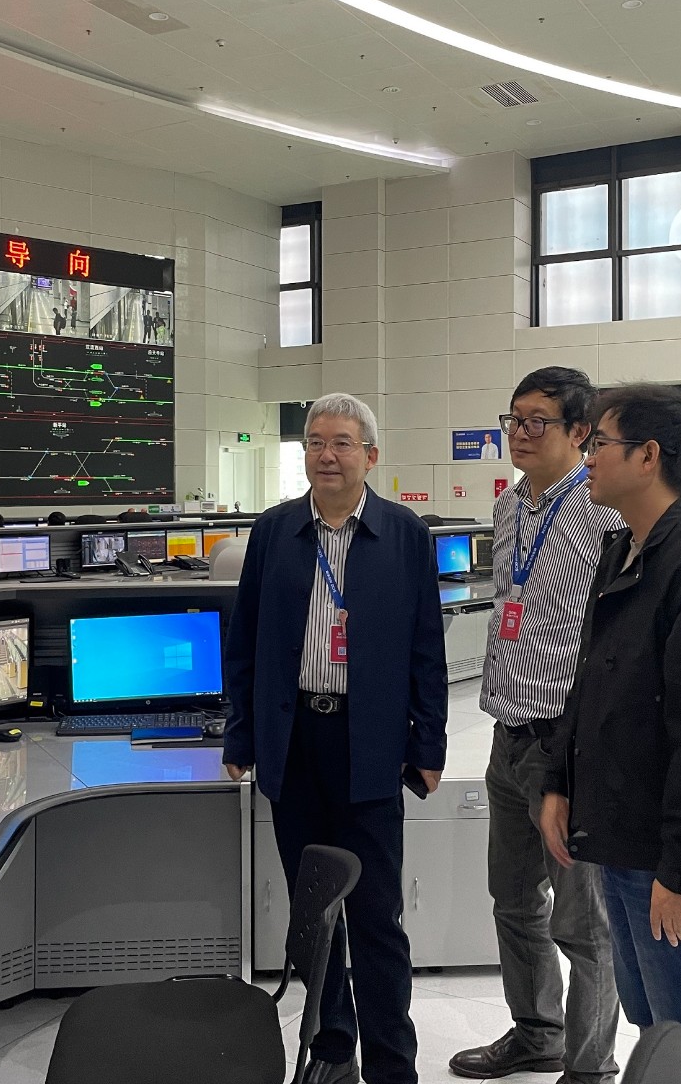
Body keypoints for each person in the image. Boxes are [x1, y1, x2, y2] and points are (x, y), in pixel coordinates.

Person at [224, 392, 448, 1084]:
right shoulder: (273, 532)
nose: (327, 455)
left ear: (370, 456)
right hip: (293, 742)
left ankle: (392, 1065)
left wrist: (429, 746)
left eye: (342, 442)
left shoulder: (404, 535)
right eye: (316, 442)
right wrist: (241, 737)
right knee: (315, 914)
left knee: (377, 915)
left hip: (370, 744)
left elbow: (426, 649)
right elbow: (246, 643)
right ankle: (332, 1049)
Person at [536, 385, 681, 1038]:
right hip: (624, 834)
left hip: (673, 854)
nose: (587, 458)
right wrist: (559, 783)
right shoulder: (624, 551)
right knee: (651, 1019)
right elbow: (592, 680)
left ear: (648, 457)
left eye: (600, 443)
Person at [449, 367, 624, 1084]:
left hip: (568, 745)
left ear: (579, 433)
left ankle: (590, 1066)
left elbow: (616, 640)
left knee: (584, 923)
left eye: (536, 421)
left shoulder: (604, 512)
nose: (519, 433)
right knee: (515, 900)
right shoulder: (509, 505)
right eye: (513, 419)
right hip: (508, 734)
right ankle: (537, 1034)